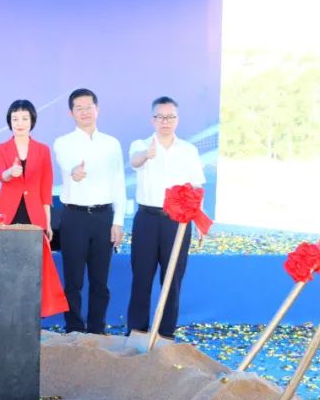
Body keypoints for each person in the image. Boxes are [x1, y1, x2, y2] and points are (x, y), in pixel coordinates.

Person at [127, 96, 205, 341]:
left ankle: (166, 333)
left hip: (178, 223)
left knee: (172, 278)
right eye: (160, 117)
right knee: (142, 276)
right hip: (147, 219)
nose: (165, 121)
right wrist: (147, 154)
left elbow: (197, 187)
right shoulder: (140, 144)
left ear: (177, 120)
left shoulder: (188, 150)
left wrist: (199, 222)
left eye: (170, 117)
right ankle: (137, 331)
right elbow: (134, 161)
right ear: (153, 120)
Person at [51, 88, 125, 334]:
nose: (84, 112)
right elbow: (66, 163)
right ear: (71, 113)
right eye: (78, 108)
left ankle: (96, 329)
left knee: (100, 280)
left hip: (104, 217)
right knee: (73, 280)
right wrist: (75, 172)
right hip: (74, 217)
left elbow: (119, 183)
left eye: (88, 107)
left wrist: (118, 221)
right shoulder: (63, 142)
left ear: (97, 109)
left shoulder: (112, 143)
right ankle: (73, 328)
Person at [0, 99, 53, 236]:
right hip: (7, 214)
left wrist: (48, 222)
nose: (20, 123)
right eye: (15, 119)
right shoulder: (0, 149)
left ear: (32, 121)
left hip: (34, 214)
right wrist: (10, 172)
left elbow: (45, 189)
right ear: (10, 122)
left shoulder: (43, 150)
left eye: (25, 118)